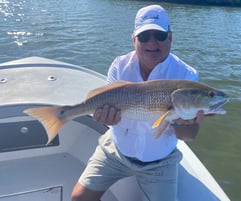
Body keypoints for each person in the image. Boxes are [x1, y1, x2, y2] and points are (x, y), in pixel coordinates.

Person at [72, 5, 208, 201]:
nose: (152, 42)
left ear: (170, 37)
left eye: (159, 35)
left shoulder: (187, 75)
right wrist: (105, 119)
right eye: (144, 37)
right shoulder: (119, 65)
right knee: (78, 198)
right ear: (134, 39)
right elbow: (106, 115)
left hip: (160, 162)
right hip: (115, 152)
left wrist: (184, 122)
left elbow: (188, 136)